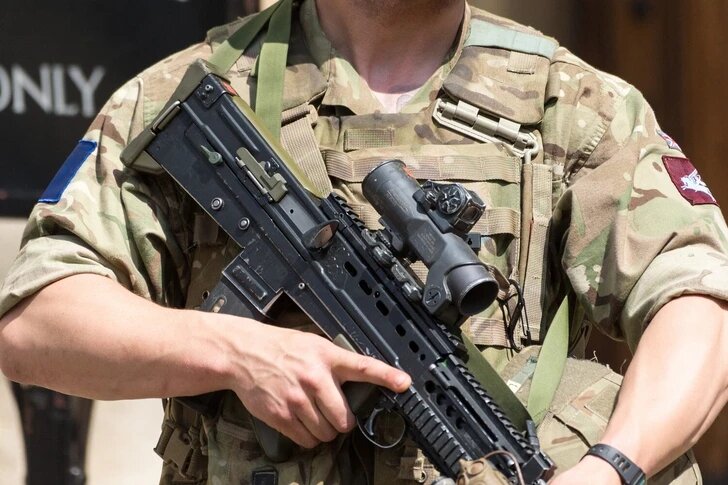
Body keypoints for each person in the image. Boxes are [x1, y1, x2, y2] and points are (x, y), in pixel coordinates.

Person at [1, 0, 727, 483]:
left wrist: (608, 469)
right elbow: (36, 320)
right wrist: (236, 352)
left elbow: (701, 303)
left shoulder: (571, 103)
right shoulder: (184, 95)